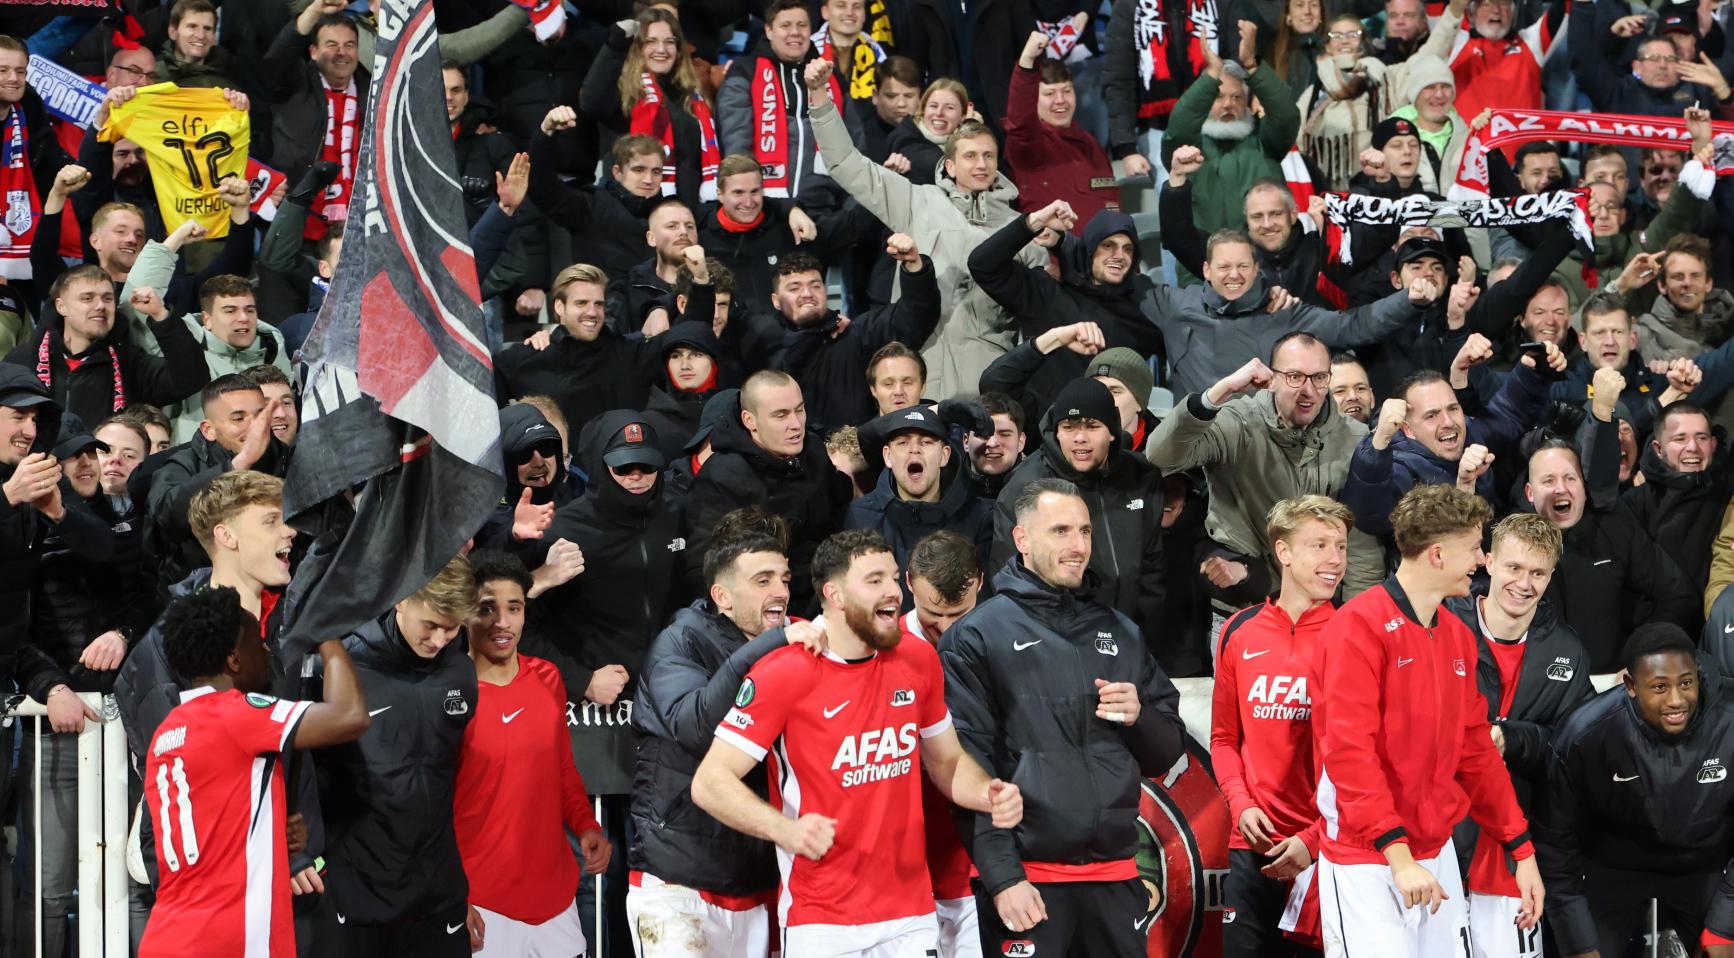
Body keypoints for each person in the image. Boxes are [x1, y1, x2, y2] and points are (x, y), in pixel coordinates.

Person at [692, 528, 1023, 957]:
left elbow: (947, 762)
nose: (892, 592)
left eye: (892, 577)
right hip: (822, 918)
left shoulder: (918, 660)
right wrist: (785, 830)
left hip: (910, 912)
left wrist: (986, 793)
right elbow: (710, 781)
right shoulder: (785, 672)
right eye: (874, 581)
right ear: (835, 594)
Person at [941, 478, 1186, 956]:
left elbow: (1167, 753)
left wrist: (1140, 717)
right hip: (1030, 882)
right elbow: (968, 770)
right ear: (1022, 539)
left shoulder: (1121, 631)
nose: (1078, 547)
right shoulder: (977, 637)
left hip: (1116, 876)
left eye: (1085, 532)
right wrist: (1004, 878)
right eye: (1060, 531)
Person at [1313, 483, 1544, 956]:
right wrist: (1398, 857)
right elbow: (1349, 755)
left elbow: (1476, 751)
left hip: (1433, 854)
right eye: (1475, 548)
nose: (1481, 560)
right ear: (1438, 555)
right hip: (1367, 858)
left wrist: (1521, 849)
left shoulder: (1457, 637)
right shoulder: (1355, 628)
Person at [137, 587, 370, 958]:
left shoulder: (168, 730)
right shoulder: (233, 714)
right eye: (258, 644)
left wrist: (273, 832)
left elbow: (214, 828)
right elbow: (350, 715)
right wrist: (326, 631)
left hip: (170, 935)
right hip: (226, 939)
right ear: (233, 660)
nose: (266, 652)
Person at [805, 57, 1044, 400]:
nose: (980, 164)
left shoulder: (1018, 229)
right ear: (949, 164)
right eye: (970, 156)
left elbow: (1033, 315)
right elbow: (846, 164)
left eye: (988, 156)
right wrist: (819, 97)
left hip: (989, 376)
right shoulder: (916, 200)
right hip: (921, 369)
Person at [628, 509, 810, 956]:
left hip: (758, 879)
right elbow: (696, 727)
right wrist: (770, 644)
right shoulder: (681, 641)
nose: (781, 592)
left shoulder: (789, 646)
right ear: (721, 596)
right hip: (678, 886)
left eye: (784, 579)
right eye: (763, 580)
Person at [1440, 514, 1593, 958]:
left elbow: (1570, 755)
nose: (1524, 583)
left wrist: (1512, 739)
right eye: (1513, 568)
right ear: (1488, 562)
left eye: (1538, 573)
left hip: (1512, 846)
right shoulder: (1443, 624)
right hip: (1435, 837)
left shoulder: (1567, 650)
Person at [313, 555, 479, 955]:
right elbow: (312, 777)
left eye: (452, 627)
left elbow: (447, 781)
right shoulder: (343, 668)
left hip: (438, 895)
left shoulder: (460, 673)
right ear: (401, 600)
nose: (440, 640)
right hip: (358, 894)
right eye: (432, 625)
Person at [1535, 625, 1734, 958]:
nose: (1676, 699)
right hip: (1613, 865)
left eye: (1686, 683)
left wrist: (1724, 926)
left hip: (1705, 864)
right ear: (1630, 686)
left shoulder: (1729, 717)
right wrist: (1579, 943)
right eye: (1659, 687)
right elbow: (1555, 844)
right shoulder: (1585, 734)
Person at [1148, 333, 1383, 614]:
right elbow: (1160, 456)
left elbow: (1361, 542)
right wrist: (1221, 391)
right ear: (1272, 378)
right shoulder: (1237, 423)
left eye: (1319, 377)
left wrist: (1357, 618)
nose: (1308, 390)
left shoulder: (1354, 437)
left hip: (1322, 613)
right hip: (1245, 608)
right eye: (1295, 376)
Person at [1212, 495, 1353, 956]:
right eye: (1320, 545)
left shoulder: (1355, 637)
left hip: (1326, 852)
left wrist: (1312, 841)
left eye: (1341, 547)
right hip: (1248, 846)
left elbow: (1365, 763)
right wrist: (1240, 805)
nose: (1335, 559)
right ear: (1284, 552)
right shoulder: (1239, 631)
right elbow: (1224, 739)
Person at [455, 551, 609, 957]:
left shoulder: (547, 678)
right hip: (483, 905)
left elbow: (561, 769)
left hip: (556, 900)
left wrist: (586, 825)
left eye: (514, 608)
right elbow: (432, 807)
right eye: (487, 608)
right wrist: (455, 894)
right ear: (466, 613)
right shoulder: (449, 696)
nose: (502, 622)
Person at [1138, 229, 1438, 398]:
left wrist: (1407, 300)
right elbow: (1121, 290)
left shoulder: (1284, 311)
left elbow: (1353, 327)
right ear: (1206, 270)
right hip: (1197, 447)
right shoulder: (1175, 305)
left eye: (1243, 266)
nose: (1234, 275)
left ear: (1257, 269)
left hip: (1267, 447)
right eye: (1223, 267)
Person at [992, 379, 1166, 636]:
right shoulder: (1026, 486)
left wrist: (1137, 636)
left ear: (1112, 430)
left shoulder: (1140, 476)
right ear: (1057, 431)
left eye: (1093, 426)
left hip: (1129, 636)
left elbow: (1153, 569)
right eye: (1069, 427)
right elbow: (1009, 578)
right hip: (1056, 640)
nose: (1080, 438)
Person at [1342, 346, 1559, 537]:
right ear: (1407, 428)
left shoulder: (1469, 435)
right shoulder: (1400, 468)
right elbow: (1369, 515)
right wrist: (1379, 441)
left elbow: (1506, 414)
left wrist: (1533, 371)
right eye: (1431, 415)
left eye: (1453, 409)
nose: (1448, 422)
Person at [970, 202, 1160, 420]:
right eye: (1108, 245)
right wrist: (1036, 221)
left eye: (1128, 249)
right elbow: (983, 265)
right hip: (1044, 428)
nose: (1120, 255)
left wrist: (1062, 243)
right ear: (1089, 248)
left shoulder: (1142, 310)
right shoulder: (1047, 292)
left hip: (1111, 434)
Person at [684, 371, 852, 614]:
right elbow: (703, 569)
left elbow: (838, 522)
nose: (796, 424)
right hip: (763, 614)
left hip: (824, 598)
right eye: (780, 415)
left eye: (800, 410)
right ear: (750, 420)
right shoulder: (723, 477)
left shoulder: (814, 450)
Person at [1525, 437, 1698, 670]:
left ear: (1584, 487)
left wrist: (1643, 657)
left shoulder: (1616, 531)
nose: (1561, 488)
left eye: (1570, 478)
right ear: (1530, 492)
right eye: (1548, 480)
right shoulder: (1511, 542)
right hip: (1542, 690)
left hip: (1611, 687)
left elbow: (1679, 595)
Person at [1160, 25, 1301, 281]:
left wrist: (1252, 66)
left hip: (1266, 274)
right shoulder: (1189, 152)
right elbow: (1178, 127)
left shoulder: (1265, 141)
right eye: (1218, 96)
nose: (1228, 104)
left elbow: (1287, 115)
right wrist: (1211, 75)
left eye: (1237, 98)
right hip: (1200, 275)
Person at [901, 531, 984, 957]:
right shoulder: (878, 649)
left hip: (975, 866)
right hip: (899, 874)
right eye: (935, 614)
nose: (948, 629)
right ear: (909, 582)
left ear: (980, 584)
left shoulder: (1001, 643)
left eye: (960, 614)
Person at [7, 264, 212, 435]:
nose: (100, 306)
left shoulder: (129, 362)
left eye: (107, 298)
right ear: (62, 307)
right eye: (87, 298)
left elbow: (191, 379)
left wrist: (161, 316)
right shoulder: (23, 360)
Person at [768, 238, 941, 431]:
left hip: (858, 454)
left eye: (815, 285)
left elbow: (913, 318)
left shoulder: (855, 334)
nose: (807, 293)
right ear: (776, 300)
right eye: (794, 288)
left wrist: (914, 267)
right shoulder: (760, 346)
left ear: (825, 292)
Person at [146, 375, 289, 588]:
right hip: (201, 591)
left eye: (260, 415)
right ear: (208, 430)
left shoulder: (290, 459)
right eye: (238, 418)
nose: (253, 427)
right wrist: (238, 464)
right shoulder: (183, 464)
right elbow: (167, 515)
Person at [716, 0, 864, 200]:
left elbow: (854, 149)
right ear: (768, 30)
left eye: (802, 25)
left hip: (824, 206)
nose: (795, 32)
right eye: (785, 25)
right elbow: (736, 146)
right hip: (764, 207)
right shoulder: (744, 72)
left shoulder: (831, 77)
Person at [579, 9, 719, 207]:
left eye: (669, 42)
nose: (661, 49)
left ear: (679, 49)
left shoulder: (692, 98)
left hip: (683, 215)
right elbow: (590, 102)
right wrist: (614, 47)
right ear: (638, 47)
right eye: (651, 41)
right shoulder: (623, 91)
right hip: (627, 212)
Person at [846, 404, 994, 576]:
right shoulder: (860, 516)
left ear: (944, 455)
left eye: (926, 442)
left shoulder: (979, 517)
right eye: (903, 442)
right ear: (887, 456)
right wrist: (938, 410)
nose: (914, 450)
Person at [263, 10, 368, 243]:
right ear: (313, 52)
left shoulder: (373, 92)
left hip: (358, 226)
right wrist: (317, 8)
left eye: (349, 45)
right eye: (331, 44)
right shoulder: (295, 83)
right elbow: (279, 56)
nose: (342, 52)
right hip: (299, 222)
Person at [146, 275, 291, 443]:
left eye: (250, 310)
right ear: (206, 319)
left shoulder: (276, 356)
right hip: (194, 464)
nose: (244, 318)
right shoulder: (182, 354)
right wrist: (171, 247)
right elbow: (135, 302)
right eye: (230, 311)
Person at [1002, 31, 1118, 222]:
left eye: (1066, 91)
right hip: (1056, 250)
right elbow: (1019, 124)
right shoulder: (1029, 146)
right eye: (1049, 94)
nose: (1060, 101)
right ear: (1034, 100)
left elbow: (1111, 200)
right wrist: (1026, 62)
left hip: (1106, 248)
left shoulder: (1090, 143)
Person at [963, 393, 1025, 499]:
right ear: (966, 441)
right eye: (983, 434)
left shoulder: (1041, 492)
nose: (992, 443)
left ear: (1020, 442)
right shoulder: (943, 486)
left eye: (1004, 434)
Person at [866, 341, 926, 416]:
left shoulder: (939, 426)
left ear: (923, 387)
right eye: (888, 384)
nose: (898, 392)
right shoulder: (864, 428)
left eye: (907, 383)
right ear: (873, 390)